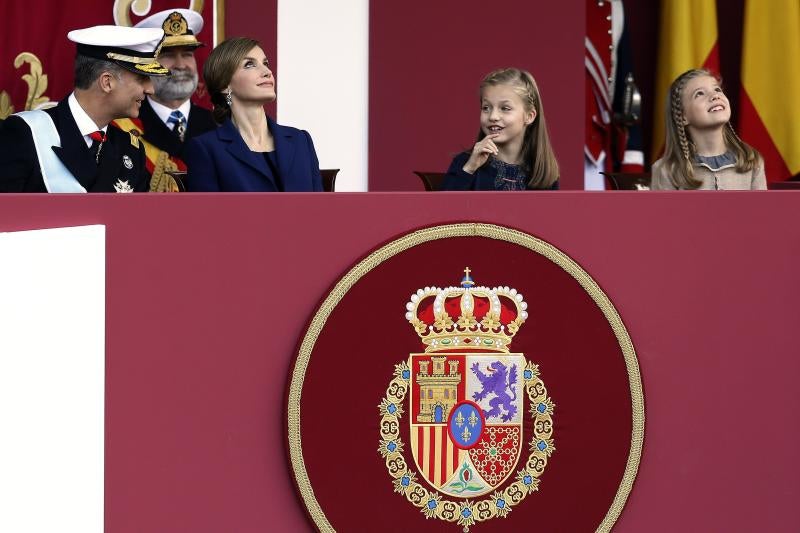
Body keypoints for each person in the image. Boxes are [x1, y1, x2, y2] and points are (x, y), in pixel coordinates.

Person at [0, 26, 169, 193]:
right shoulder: (25, 133)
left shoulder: (131, 150)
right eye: (141, 79)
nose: (150, 90)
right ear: (107, 82)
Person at [185, 37, 322, 191]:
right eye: (249, 64)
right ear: (225, 85)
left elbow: (321, 210)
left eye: (266, 63)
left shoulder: (301, 140)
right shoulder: (206, 149)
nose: (267, 72)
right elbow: (205, 214)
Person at [114, 9, 216, 192]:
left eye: (187, 54)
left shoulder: (221, 124)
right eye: (167, 55)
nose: (181, 65)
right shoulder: (122, 129)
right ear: (145, 67)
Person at [441, 68, 559, 191]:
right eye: (486, 107)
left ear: (529, 116)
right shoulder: (465, 162)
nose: (493, 116)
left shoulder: (543, 173)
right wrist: (469, 168)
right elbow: (442, 207)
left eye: (505, 108)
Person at [651, 68, 766, 190]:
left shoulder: (752, 161)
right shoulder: (667, 170)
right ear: (682, 116)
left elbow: (763, 209)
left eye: (717, 89)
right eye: (699, 93)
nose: (715, 96)